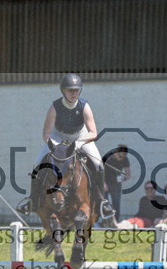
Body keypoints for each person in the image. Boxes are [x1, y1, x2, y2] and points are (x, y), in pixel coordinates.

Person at [16, 73, 115, 219]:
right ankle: (32, 200)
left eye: (76, 90)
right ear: (63, 91)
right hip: (58, 137)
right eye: (70, 90)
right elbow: (46, 133)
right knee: (37, 162)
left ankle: (102, 202)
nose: (74, 93)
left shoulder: (84, 106)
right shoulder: (55, 107)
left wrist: (78, 143)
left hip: (80, 136)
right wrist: (55, 145)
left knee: (98, 163)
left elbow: (93, 132)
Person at [102, 144, 130, 220]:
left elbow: (128, 174)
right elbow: (100, 172)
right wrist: (104, 184)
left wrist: (123, 178)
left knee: (116, 203)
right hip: (105, 182)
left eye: (123, 157)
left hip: (116, 183)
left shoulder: (125, 159)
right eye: (120, 157)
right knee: (104, 203)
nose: (121, 159)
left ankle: (116, 221)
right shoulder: (108, 158)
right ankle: (103, 220)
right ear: (116, 153)